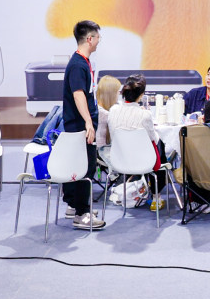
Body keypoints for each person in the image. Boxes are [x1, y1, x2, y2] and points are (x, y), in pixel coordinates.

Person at [60, 20, 106, 230]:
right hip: (80, 126)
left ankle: (74, 206)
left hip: (79, 124)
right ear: (89, 39)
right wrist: (88, 122)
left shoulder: (81, 62)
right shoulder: (78, 65)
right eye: (97, 37)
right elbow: (78, 95)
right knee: (85, 168)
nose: (99, 40)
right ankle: (81, 214)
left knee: (77, 166)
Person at [106, 74, 169, 200]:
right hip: (144, 162)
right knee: (160, 144)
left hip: (120, 160)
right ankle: (156, 195)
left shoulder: (113, 111)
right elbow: (153, 139)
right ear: (141, 95)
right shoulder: (145, 115)